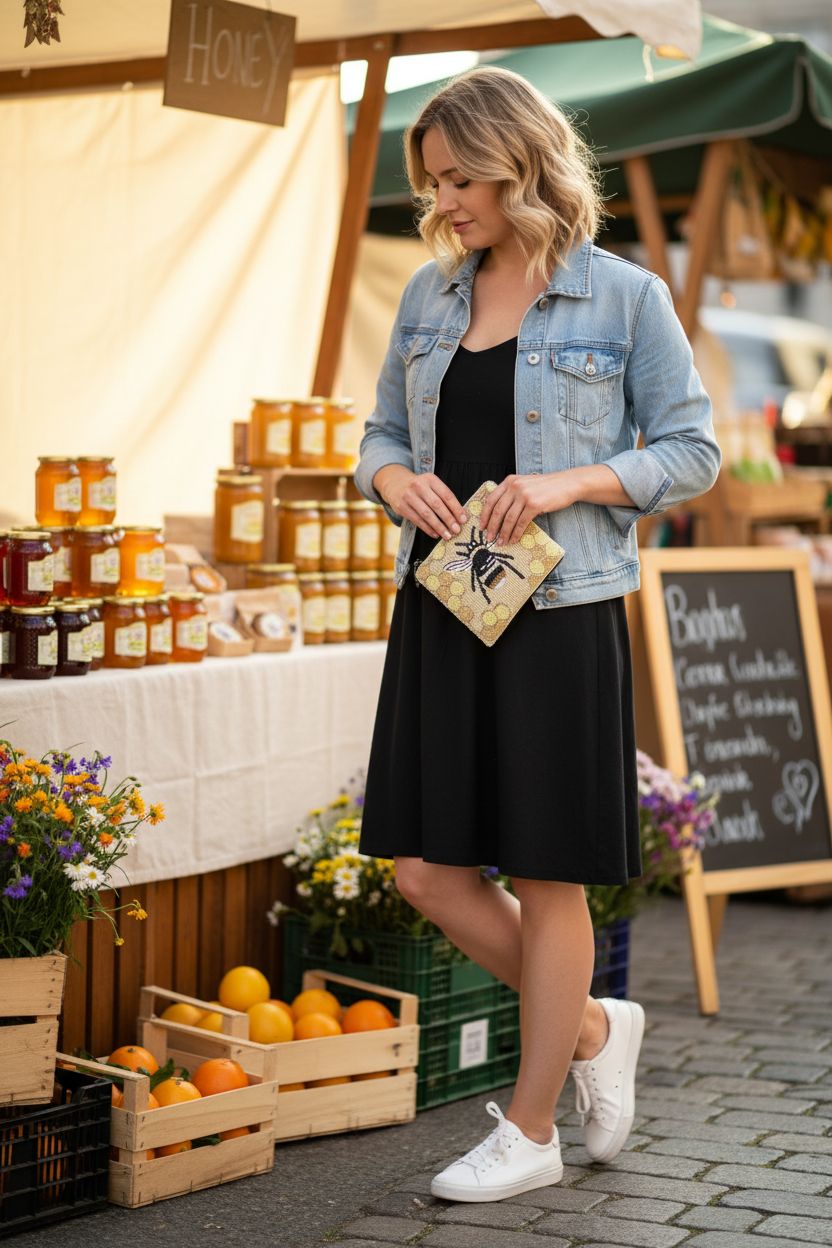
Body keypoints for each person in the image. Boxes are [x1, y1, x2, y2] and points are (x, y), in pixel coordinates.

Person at [353, 66, 721, 1203]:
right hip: (446, 607)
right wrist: (395, 479)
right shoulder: (428, 293)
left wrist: (566, 483)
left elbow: (690, 450)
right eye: (434, 182)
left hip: (559, 615)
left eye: (463, 178)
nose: (446, 200)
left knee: (550, 877)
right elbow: (373, 434)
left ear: (523, 164)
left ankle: (531, 1128)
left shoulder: (622, 297)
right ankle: (597, 1030)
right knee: (425, 872)